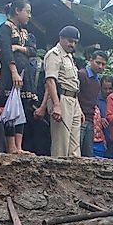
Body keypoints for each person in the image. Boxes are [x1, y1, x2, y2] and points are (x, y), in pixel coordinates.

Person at [0, 0, 36, 154]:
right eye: (27, 11)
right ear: (17, 10)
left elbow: (33, 50)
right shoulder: (5, 28)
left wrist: (19, 48)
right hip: (11, 73)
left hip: (25, 73)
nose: (29, 16)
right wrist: (13, 71)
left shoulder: (24, 32)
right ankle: (11, 145)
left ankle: (19, 146)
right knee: (10, 106)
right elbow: (5, 50)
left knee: (22, 107)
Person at [43, 26, 82, 157]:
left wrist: (79, 108)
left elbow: (73, 84)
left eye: (75, 42)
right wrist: (56, 105)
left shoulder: (70, 57)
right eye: (70, 41)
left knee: (75, 146)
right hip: (61, 98)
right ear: (61, 38)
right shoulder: (54, 54)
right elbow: (50, 81)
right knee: (61, 143)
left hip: (74, 99)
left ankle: (74, 174)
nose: (72, 44)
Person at [78, 50, 107, 156]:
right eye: (98, 62)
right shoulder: (82, 75)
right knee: (77, 150)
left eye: (103, 64)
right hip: (79, 118)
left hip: (90, 119)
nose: (100, 66)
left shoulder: (97, 81)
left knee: (88, 153)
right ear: (90, 60)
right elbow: (75, 96)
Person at [97, 76, 113, 157]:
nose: (108, 91)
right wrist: (99, 118)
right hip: (100, 139)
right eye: (105, 88)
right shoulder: (95, 99)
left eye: (110, 88)